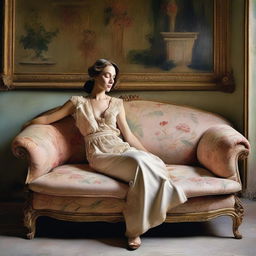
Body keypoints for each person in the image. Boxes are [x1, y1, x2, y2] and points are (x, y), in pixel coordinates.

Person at [23, 59, 187, 250]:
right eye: (107, 75)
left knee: (142, 160)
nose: (111, 81)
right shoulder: (77, 103)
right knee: (139, 162)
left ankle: (135, 229)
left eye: (114, 78)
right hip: (99, 153)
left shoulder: (117, 103)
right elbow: (49, 118)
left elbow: (128, 135)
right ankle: (151, 212)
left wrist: (149, 154)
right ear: (95, 76)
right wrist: (28, 125)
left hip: (122, 149)